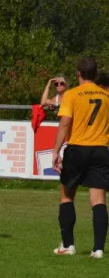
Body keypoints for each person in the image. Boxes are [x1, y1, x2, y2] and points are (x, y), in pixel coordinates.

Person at [51, 58, 109, 258]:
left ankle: (68, 245)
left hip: (77, 149)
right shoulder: (106, 95)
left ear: (78, 74)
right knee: (99, 200)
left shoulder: (72, 94)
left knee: (66, 196)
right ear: (95, 74)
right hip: (101, 150)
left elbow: (65, 123)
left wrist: (55, 151)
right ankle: (99, 249)